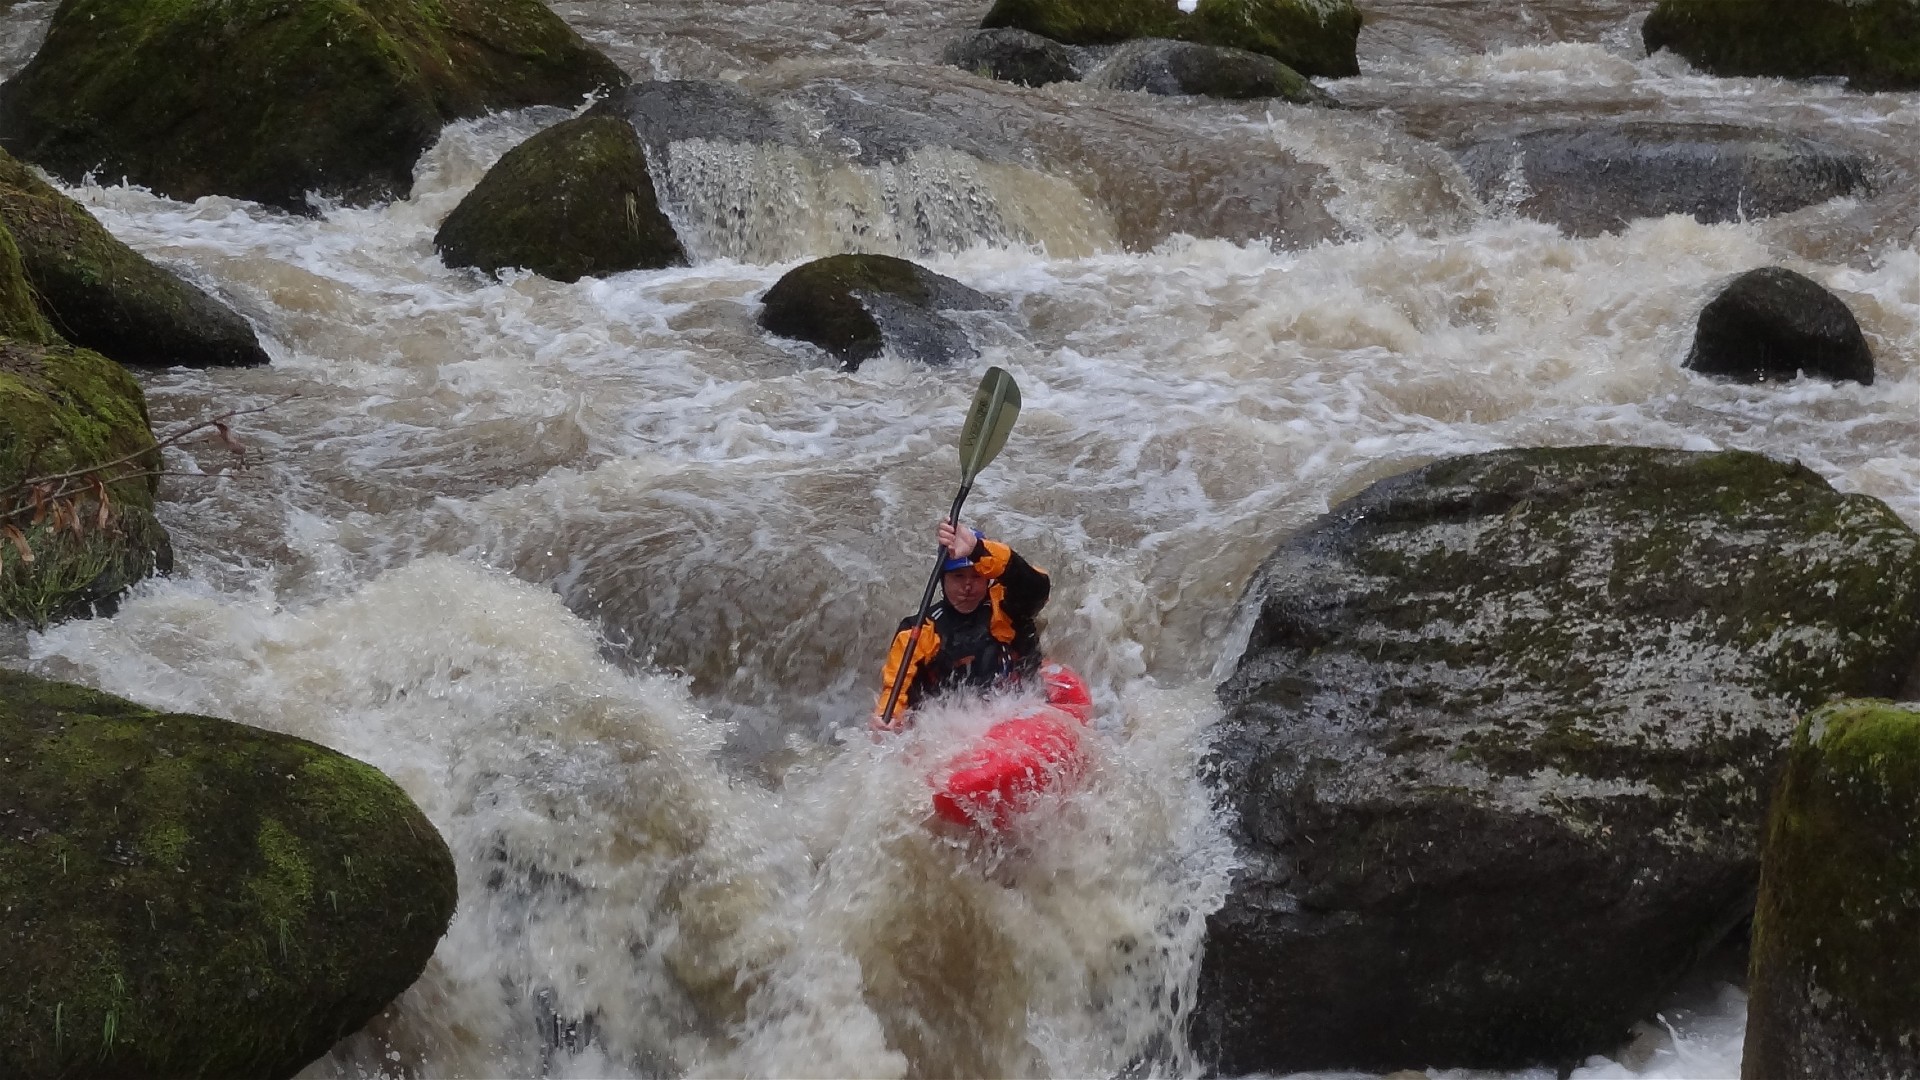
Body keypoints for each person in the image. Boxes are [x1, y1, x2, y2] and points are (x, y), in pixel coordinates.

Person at [871, 518, 1050, 731]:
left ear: (987, 578)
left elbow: (1037, 586)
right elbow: (896, 689)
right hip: (954, 728)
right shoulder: (920, 630)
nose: (967, 585)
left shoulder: (1006, 605)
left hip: (1018, 711)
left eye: (976, 576)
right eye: (958, 576)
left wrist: (978, 550)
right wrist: (887, 718)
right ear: (942, 580)